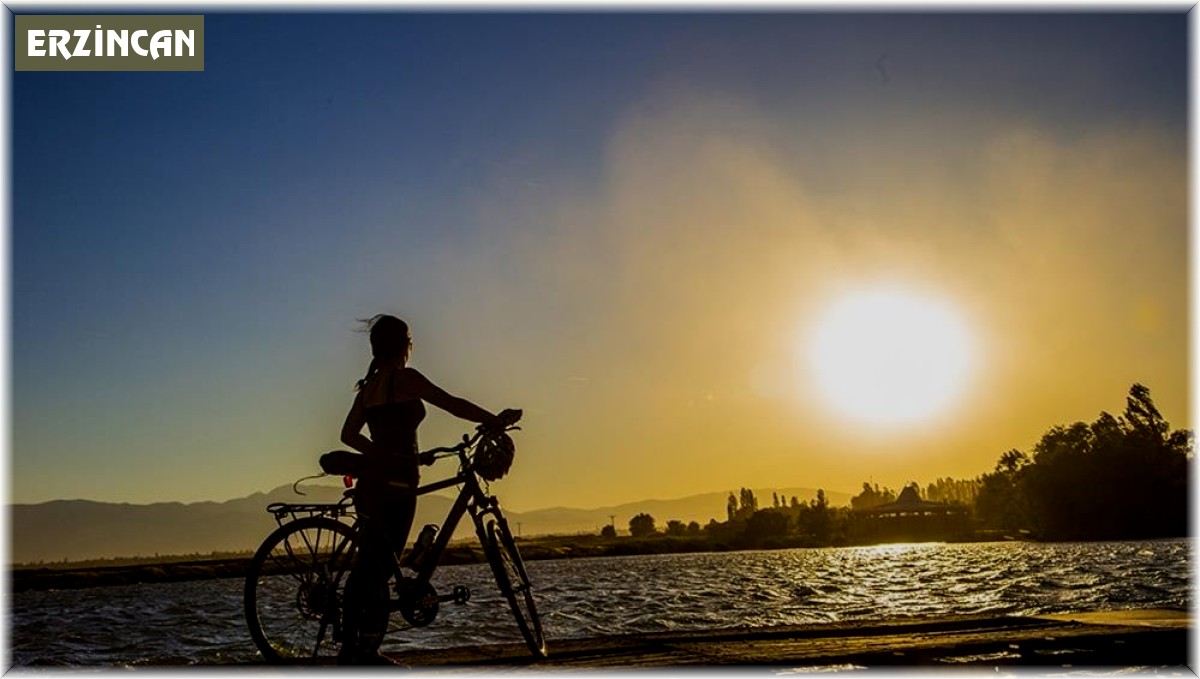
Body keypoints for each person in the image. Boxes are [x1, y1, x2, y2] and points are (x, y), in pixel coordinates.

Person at [337, 314, 514, 665]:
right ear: (404, 346)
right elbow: (452, 403)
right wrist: (493, 419)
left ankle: (354, 649)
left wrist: (384, 455)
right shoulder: (405, 378)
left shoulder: (368, 387)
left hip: (374, 482)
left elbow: (349, 435)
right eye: (410, 341)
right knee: (377, 569)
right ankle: (362, 653)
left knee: (371, 567)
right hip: (399, 485)